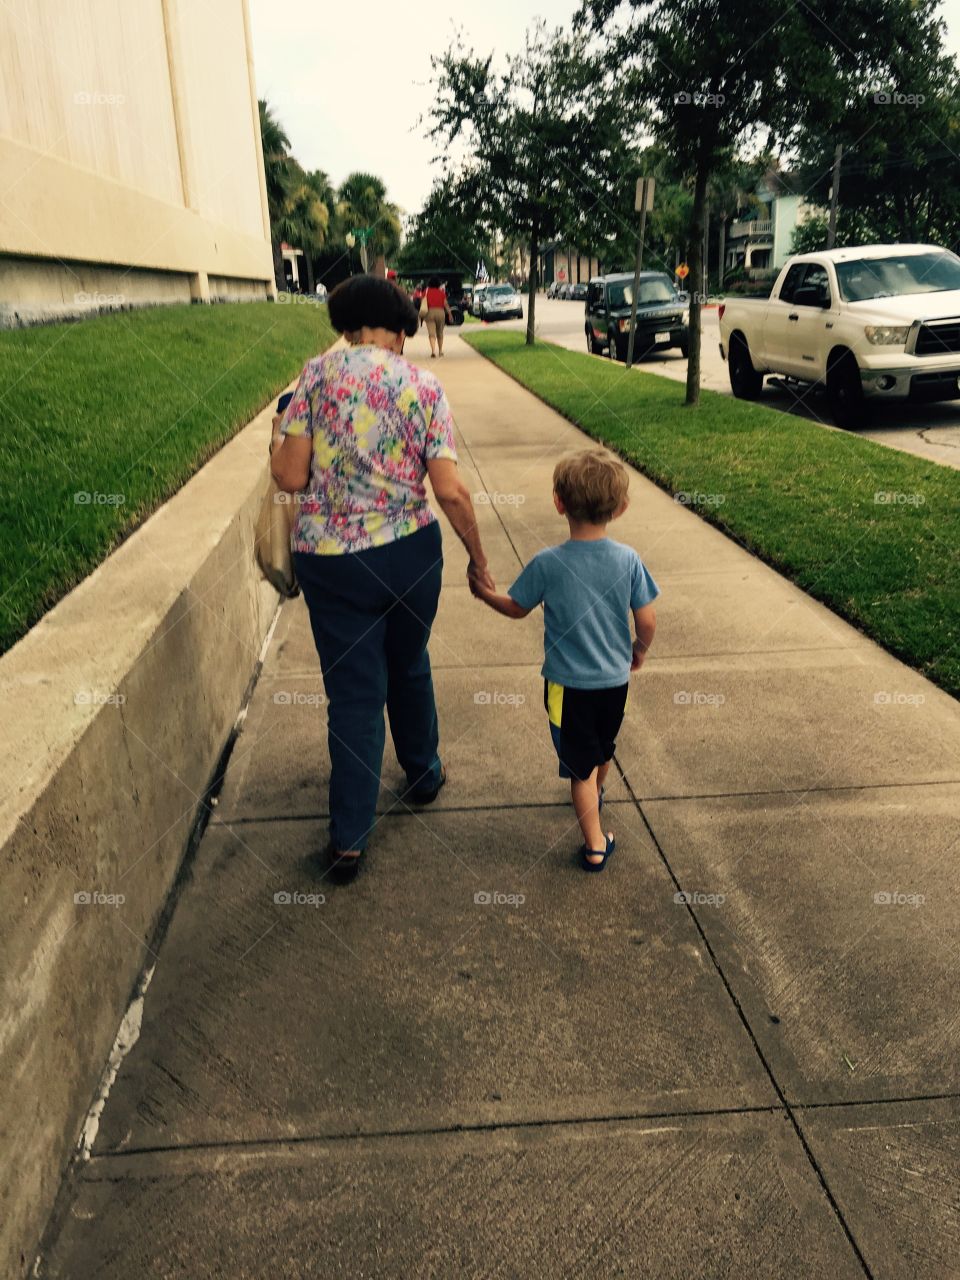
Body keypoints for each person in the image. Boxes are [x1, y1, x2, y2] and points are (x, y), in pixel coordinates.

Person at [270, 274, 494, 882]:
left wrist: (281, 436)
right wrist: (477, 556)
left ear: (346, 327)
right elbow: (448, 488)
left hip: (332, 560)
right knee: (410, 659)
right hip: (407, 554)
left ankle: (348, 839)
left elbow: (289, 479)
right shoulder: (423, 385)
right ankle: (422, 774)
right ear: (401, 329)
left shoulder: (313, 378)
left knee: (353, 693)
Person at [472, 449, 658, 871]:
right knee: (603, 746)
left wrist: (485, 594)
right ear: (621, 508)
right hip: (615, 683)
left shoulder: (548, 564)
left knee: (579, 768)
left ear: (558, 503)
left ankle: (594, 843)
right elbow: (646, 619)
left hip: (568, 687)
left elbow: (516, 607)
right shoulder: (627, 560)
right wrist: (639, 650)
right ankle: (597, 793)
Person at [424, 276, 453, 357]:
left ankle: (433, 351)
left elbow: (422, 303)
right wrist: (450, 314)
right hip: (440, 312)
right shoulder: (441, 293)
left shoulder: (426, 292)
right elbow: (446, 304)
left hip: (429, 312)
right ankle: (440, 351)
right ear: (438, 284)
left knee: (431, 333)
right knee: (440, 333)